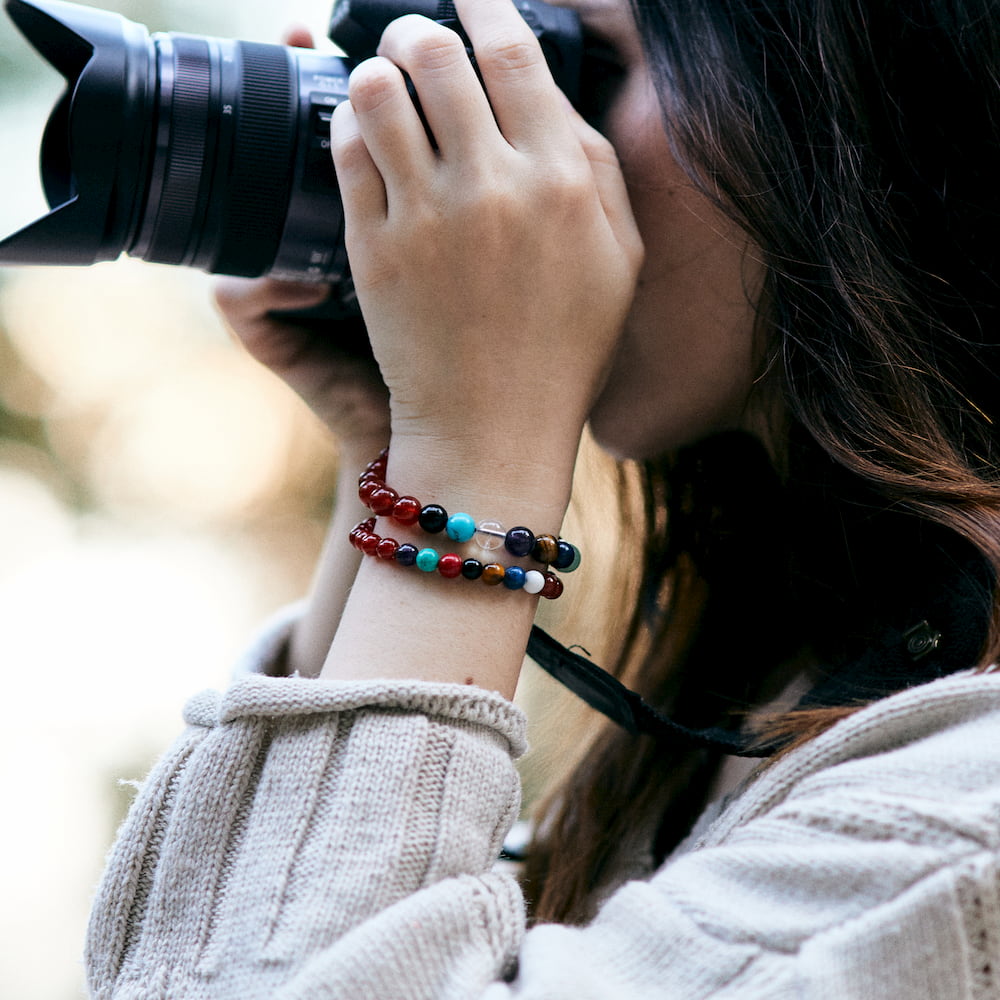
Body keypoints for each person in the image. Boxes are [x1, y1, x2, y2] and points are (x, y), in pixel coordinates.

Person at [85, 0, 1000, 996]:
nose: (516, 156)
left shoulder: (959, 831)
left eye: (577, 66)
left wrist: (474, 447)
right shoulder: (816, 677)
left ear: (864, 115)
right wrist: (402, 438)